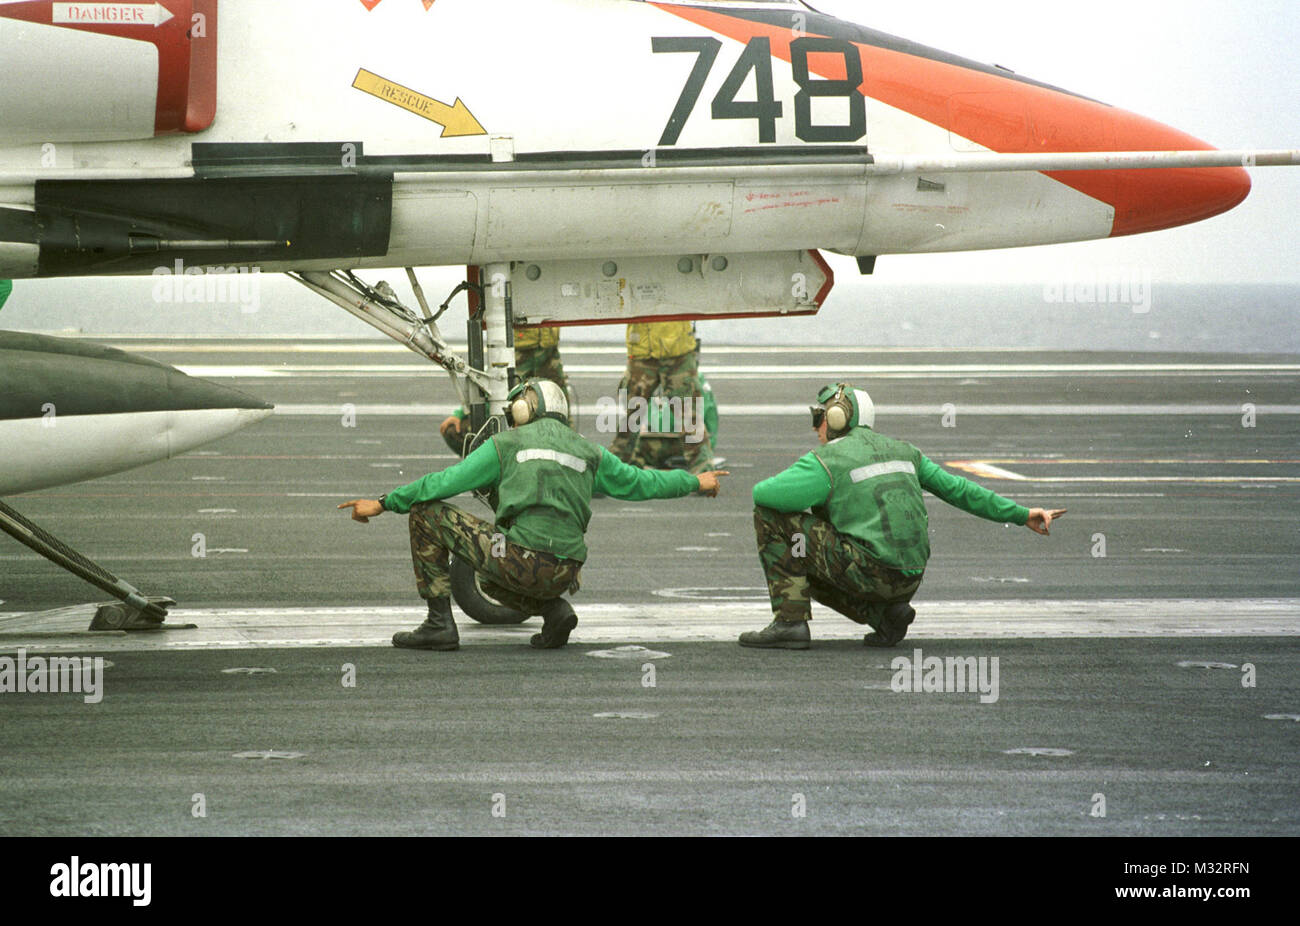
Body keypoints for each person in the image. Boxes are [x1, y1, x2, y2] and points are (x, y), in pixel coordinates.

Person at [341, 379, 729, 652]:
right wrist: (696, 482)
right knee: (493, 579)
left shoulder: (506, 444)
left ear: (526, 407)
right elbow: (643, 483)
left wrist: (384, 502)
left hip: (521, 562)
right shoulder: (589, 452)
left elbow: (444, 483)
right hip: (566, 570)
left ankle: (438, 625)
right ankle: (553, 608)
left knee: (426, 513)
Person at [740, 383, 1066, 650]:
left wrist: (816, 487)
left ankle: (789, 623)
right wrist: (1022, 514)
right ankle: (885, 617)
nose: (815, 426)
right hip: (908, 578)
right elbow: (960, 491)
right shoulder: (906, 451)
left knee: (772, 519)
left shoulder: (826, 459)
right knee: (811, 561)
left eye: (819, 417)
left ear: (838, 418)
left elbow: (763, 494)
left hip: (868, 572)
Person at [440, 325, 570, 455]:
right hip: (519, 348)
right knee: (455, 431)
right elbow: (491, 388)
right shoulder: (509, 360)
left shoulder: (549, 361)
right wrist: (461, 413)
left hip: (545, 347)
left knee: (562, 429)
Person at [609, 321, 710, 473]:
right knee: (631, 418)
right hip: (646, 351)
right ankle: (611, 471)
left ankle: (704, 473)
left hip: (675, 352)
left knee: (689, 417)